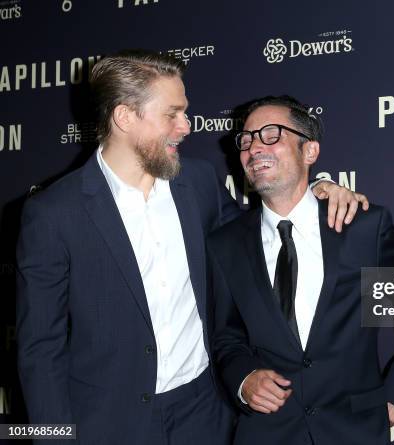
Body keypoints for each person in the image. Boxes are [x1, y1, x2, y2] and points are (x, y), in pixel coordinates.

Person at [16, 50, 367, 444]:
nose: (186, 126)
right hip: (107, 423)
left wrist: (314, 194)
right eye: (172, 113)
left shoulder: (198, 183)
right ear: (125, 117)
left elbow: (260, 236)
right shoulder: (53, 212)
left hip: (204, 414)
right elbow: (39, 349)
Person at [207, 95, 394, 445]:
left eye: (271, 134)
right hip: (268, 432)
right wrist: (244, 379)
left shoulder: (363, 226)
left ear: (310, 151)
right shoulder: (224, 244)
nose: (254, 147)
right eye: (246, 139)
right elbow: (226, 337)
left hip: (356, 430)